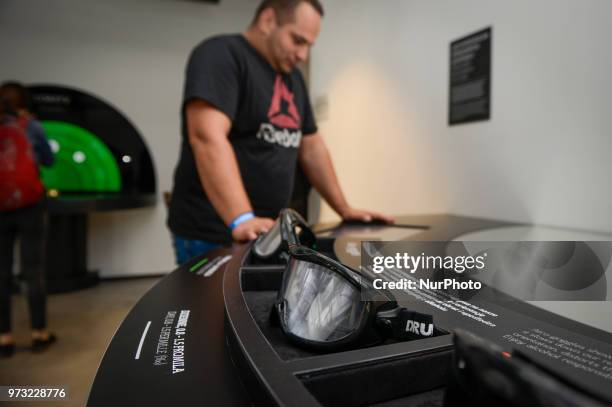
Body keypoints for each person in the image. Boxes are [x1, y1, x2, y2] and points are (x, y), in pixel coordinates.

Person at [168, 0, 393, 265]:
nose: (303, 55)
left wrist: (344, 209)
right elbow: (206, 137)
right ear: (268, 21)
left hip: (265, 232)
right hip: (213, 232)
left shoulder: (294, 79)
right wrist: (242, 218)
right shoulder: (221, 54)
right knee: (213, 307)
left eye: (309, 45)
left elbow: (312, 148)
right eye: (298, 40)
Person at [0, 81, 56, 357]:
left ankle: (4, 338)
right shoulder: (30, 126)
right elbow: (48, 160)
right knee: (33, 270)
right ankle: (38, 334)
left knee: (1, 273)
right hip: (30, 207)